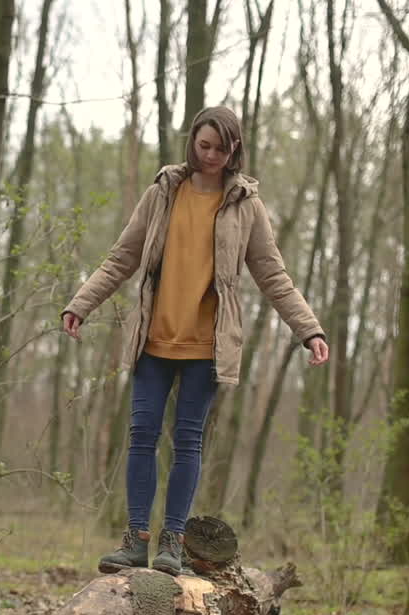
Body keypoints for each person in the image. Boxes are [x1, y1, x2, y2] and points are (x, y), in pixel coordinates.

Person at [61, 106, 329, 576]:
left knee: (187, 441)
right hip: (154, 340)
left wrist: (309, 330)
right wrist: (80, 303)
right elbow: (122, 256)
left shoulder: (246, 207)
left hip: (207, 345)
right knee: (142, 435)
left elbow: (273, 275)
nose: (210, 156)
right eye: (203, 146)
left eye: (221, 149)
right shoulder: (163, 193)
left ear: (235, 151)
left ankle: (173, 542)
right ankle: (135, 539)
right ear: (193, 142)